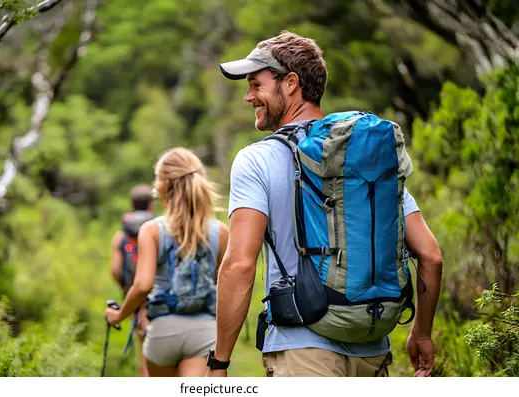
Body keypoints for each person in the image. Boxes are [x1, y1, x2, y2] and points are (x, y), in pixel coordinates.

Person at [205, 31, 444, 377]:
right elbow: (432, 256)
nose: (248, 97)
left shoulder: (255, 160)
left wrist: (219, 362)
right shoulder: (366, 156)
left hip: (302, 350)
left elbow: (240, 265)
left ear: (290, 83)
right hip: (373, 348)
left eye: (256, 85)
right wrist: (421, 334)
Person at [105, 147, 229, 377]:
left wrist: (119, 314)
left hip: (163, 334)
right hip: (206, 333)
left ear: (162, 185)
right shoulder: (220, 232)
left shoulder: (152, 230)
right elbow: (222, 287)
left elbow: (143, 285)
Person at [110, 184, 156, 377]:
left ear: (132, 204)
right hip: (158, 294)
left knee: (144, 347)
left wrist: (127, 287)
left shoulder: (121, 235)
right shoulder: (158, 228)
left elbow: (115, 270)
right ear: (151, 205)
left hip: (134, 296)